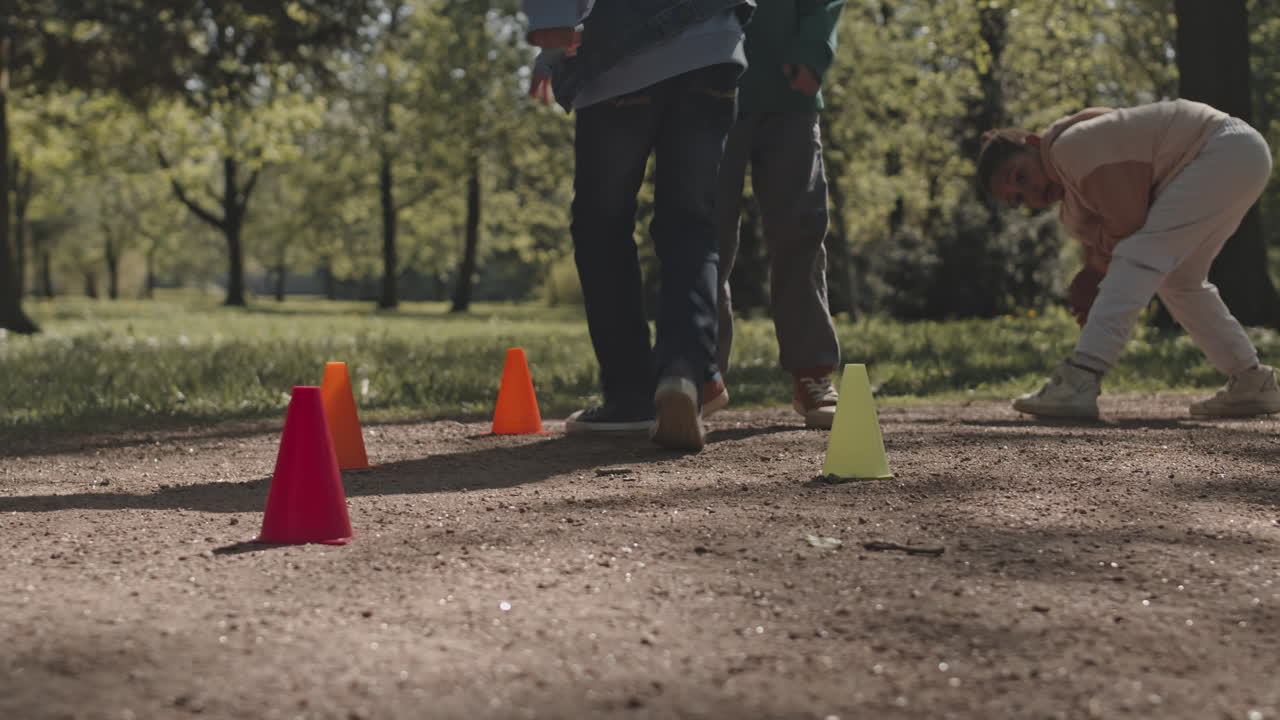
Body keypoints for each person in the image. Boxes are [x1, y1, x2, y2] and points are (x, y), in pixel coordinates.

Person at [523, 0, 755, 450]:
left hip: (621, 57)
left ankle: (630, 397)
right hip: (713, 50)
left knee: (602, 226)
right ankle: (684, 373)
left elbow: (555, 30)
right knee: (690, 222)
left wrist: (551, 31)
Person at [977, 99, 1279, 419]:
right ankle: (1251, 380)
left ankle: (1081, 377)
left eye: (1021, 177)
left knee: (1139, 253)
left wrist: (1095, 273)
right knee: (1179, 280)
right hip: (1238, 155)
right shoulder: (1073, 193)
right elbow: (1112, 233)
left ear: (1034, 143)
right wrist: (1094, 272)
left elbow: (1128, 221)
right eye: (1019, 200)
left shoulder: (1068, 148)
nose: (1032, 193)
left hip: (1221, 148)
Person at [709, 0, 846, 430]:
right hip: (708, 86)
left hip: (789, 93)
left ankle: (812, 373)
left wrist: (813, 51)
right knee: (705, 236)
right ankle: (700, 372)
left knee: (799, 231)